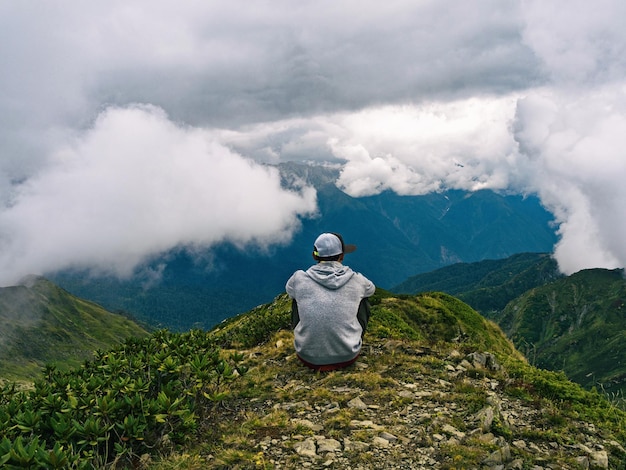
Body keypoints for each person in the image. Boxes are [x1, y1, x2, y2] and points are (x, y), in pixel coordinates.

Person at [285, 232, 375, 371]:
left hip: (307, 356)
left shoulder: (299, 278)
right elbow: (371, 290)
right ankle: (350, 340)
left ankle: (308, 340)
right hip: (347, 355)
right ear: (342, 256)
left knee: (296, 298)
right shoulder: (357, 280)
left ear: (315, 255)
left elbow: (289, 290)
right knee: (363, 299)